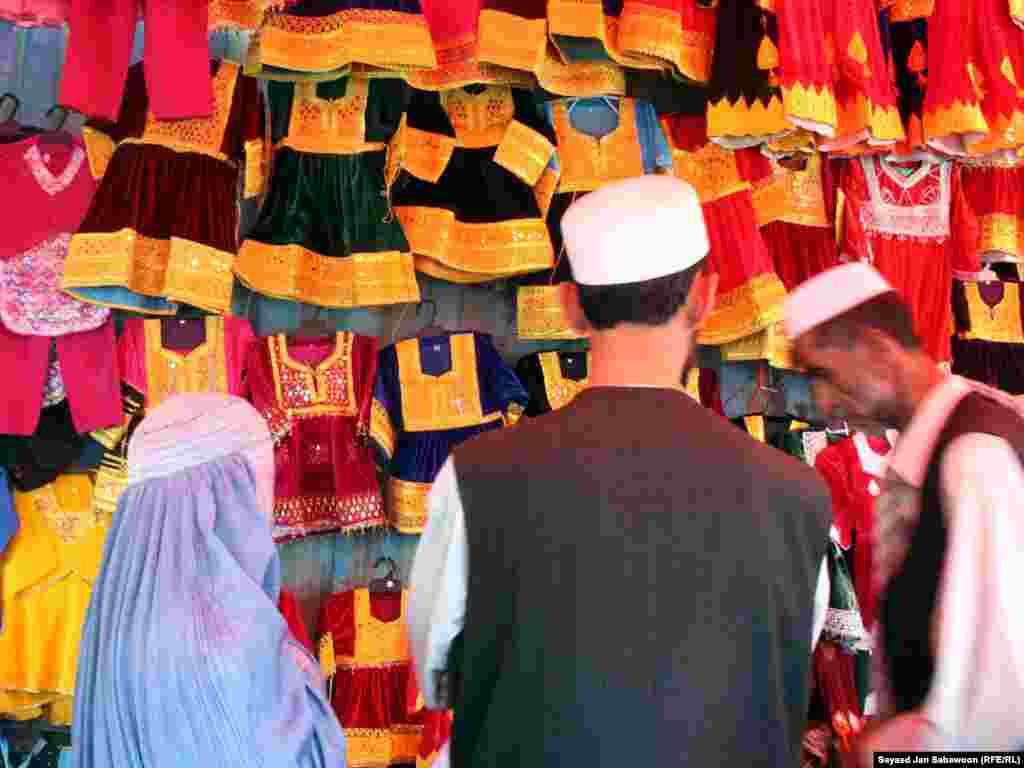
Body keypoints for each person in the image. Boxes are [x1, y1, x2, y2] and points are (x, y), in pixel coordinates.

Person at [408, 175, 832, 768]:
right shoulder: (799, 497)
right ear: (706, 297)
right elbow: (781, 668)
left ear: (570, 306)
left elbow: (435, 672)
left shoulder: (479, 476)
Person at [784, 262, 1024, 758]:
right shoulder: (930, 447)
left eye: (823, 375)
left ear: (876, 349)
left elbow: (996, 706)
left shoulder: (972, 454)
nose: (823, 402)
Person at [73, 394, 347, 768]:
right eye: (259, 488)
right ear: (230, 500)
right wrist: (301, 676)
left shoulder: (115, 621)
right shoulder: (230, 641)